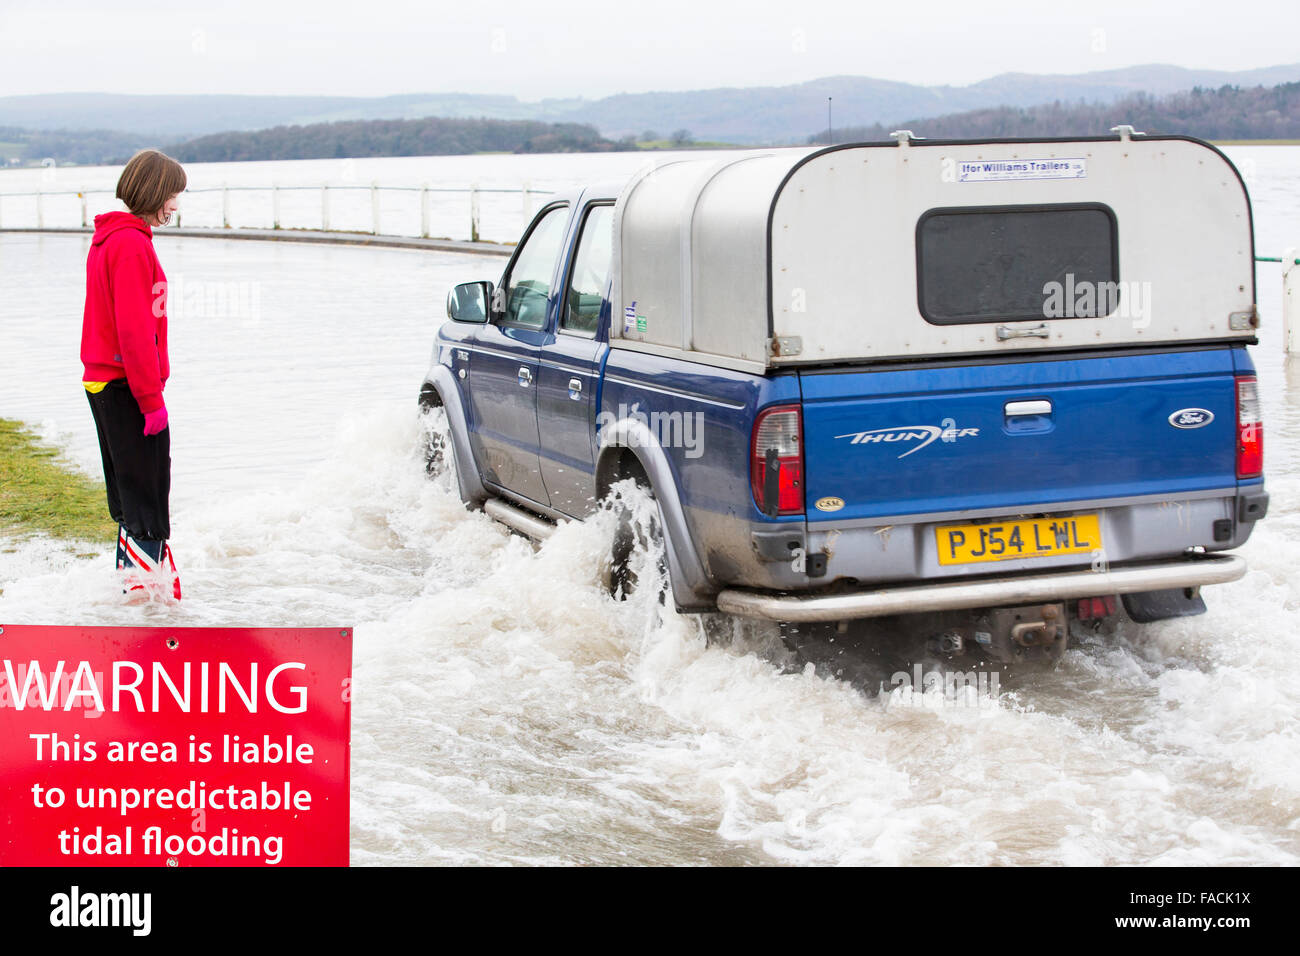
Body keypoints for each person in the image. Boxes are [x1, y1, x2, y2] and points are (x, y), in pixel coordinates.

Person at [81, 148, 186, 600]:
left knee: (132, 498)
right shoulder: (128, 244)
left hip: (110, 383)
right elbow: (134, 330)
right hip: (126, 387)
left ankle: (131, 598)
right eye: (173, 195)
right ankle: (144, 613)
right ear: (154, 191)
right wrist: (150, 401)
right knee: (145, 500)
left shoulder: (119, 238)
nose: (176, 206)